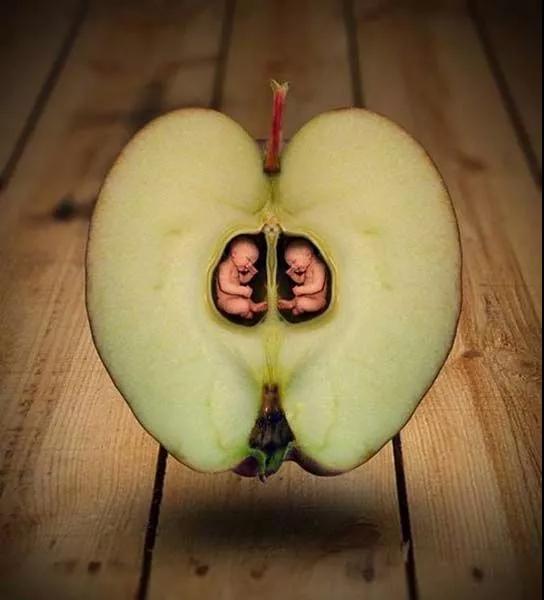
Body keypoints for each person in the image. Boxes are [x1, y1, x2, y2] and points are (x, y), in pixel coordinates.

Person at [216, 237, 267, 319]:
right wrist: (242, 290)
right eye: (249, 260)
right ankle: (245, 314)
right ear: (234, 254)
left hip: (236, 297)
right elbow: (224, 286)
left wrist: (251, 273)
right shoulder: (224, 267)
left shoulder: (236, 268)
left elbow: (243, 280)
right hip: (225, 301)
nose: (249, 265)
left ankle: (253, 306)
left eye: (252, 263)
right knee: (244, 305)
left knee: (245, 298)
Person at [278, 240, 327, 316]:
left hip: (318, 301)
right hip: (307, 296)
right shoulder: (307, 267)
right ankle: (292, 304)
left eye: (293, 262)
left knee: (301, 302)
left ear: (308, 255)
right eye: (290, 265)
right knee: (299, 301)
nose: (293, 267)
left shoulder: (318, 266)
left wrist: (301, 290)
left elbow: (318, 286)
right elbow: (300, 280)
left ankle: (296, 306)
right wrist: (292, 274)